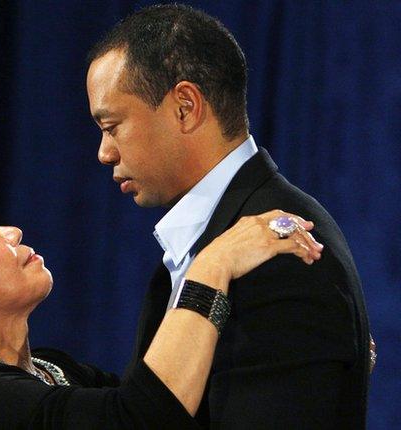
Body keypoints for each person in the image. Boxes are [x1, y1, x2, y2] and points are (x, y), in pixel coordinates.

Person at [0, 183, 321, 429]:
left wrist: (306, 356)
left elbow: (184, 411)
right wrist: (215, 263)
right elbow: (146, 420)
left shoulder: (53, 369)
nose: (11, 232)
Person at [86, 4, 372, 428]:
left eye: (111, 126)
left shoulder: (282, 255)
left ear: (185, 106)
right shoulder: (214, 241)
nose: (104, 152)